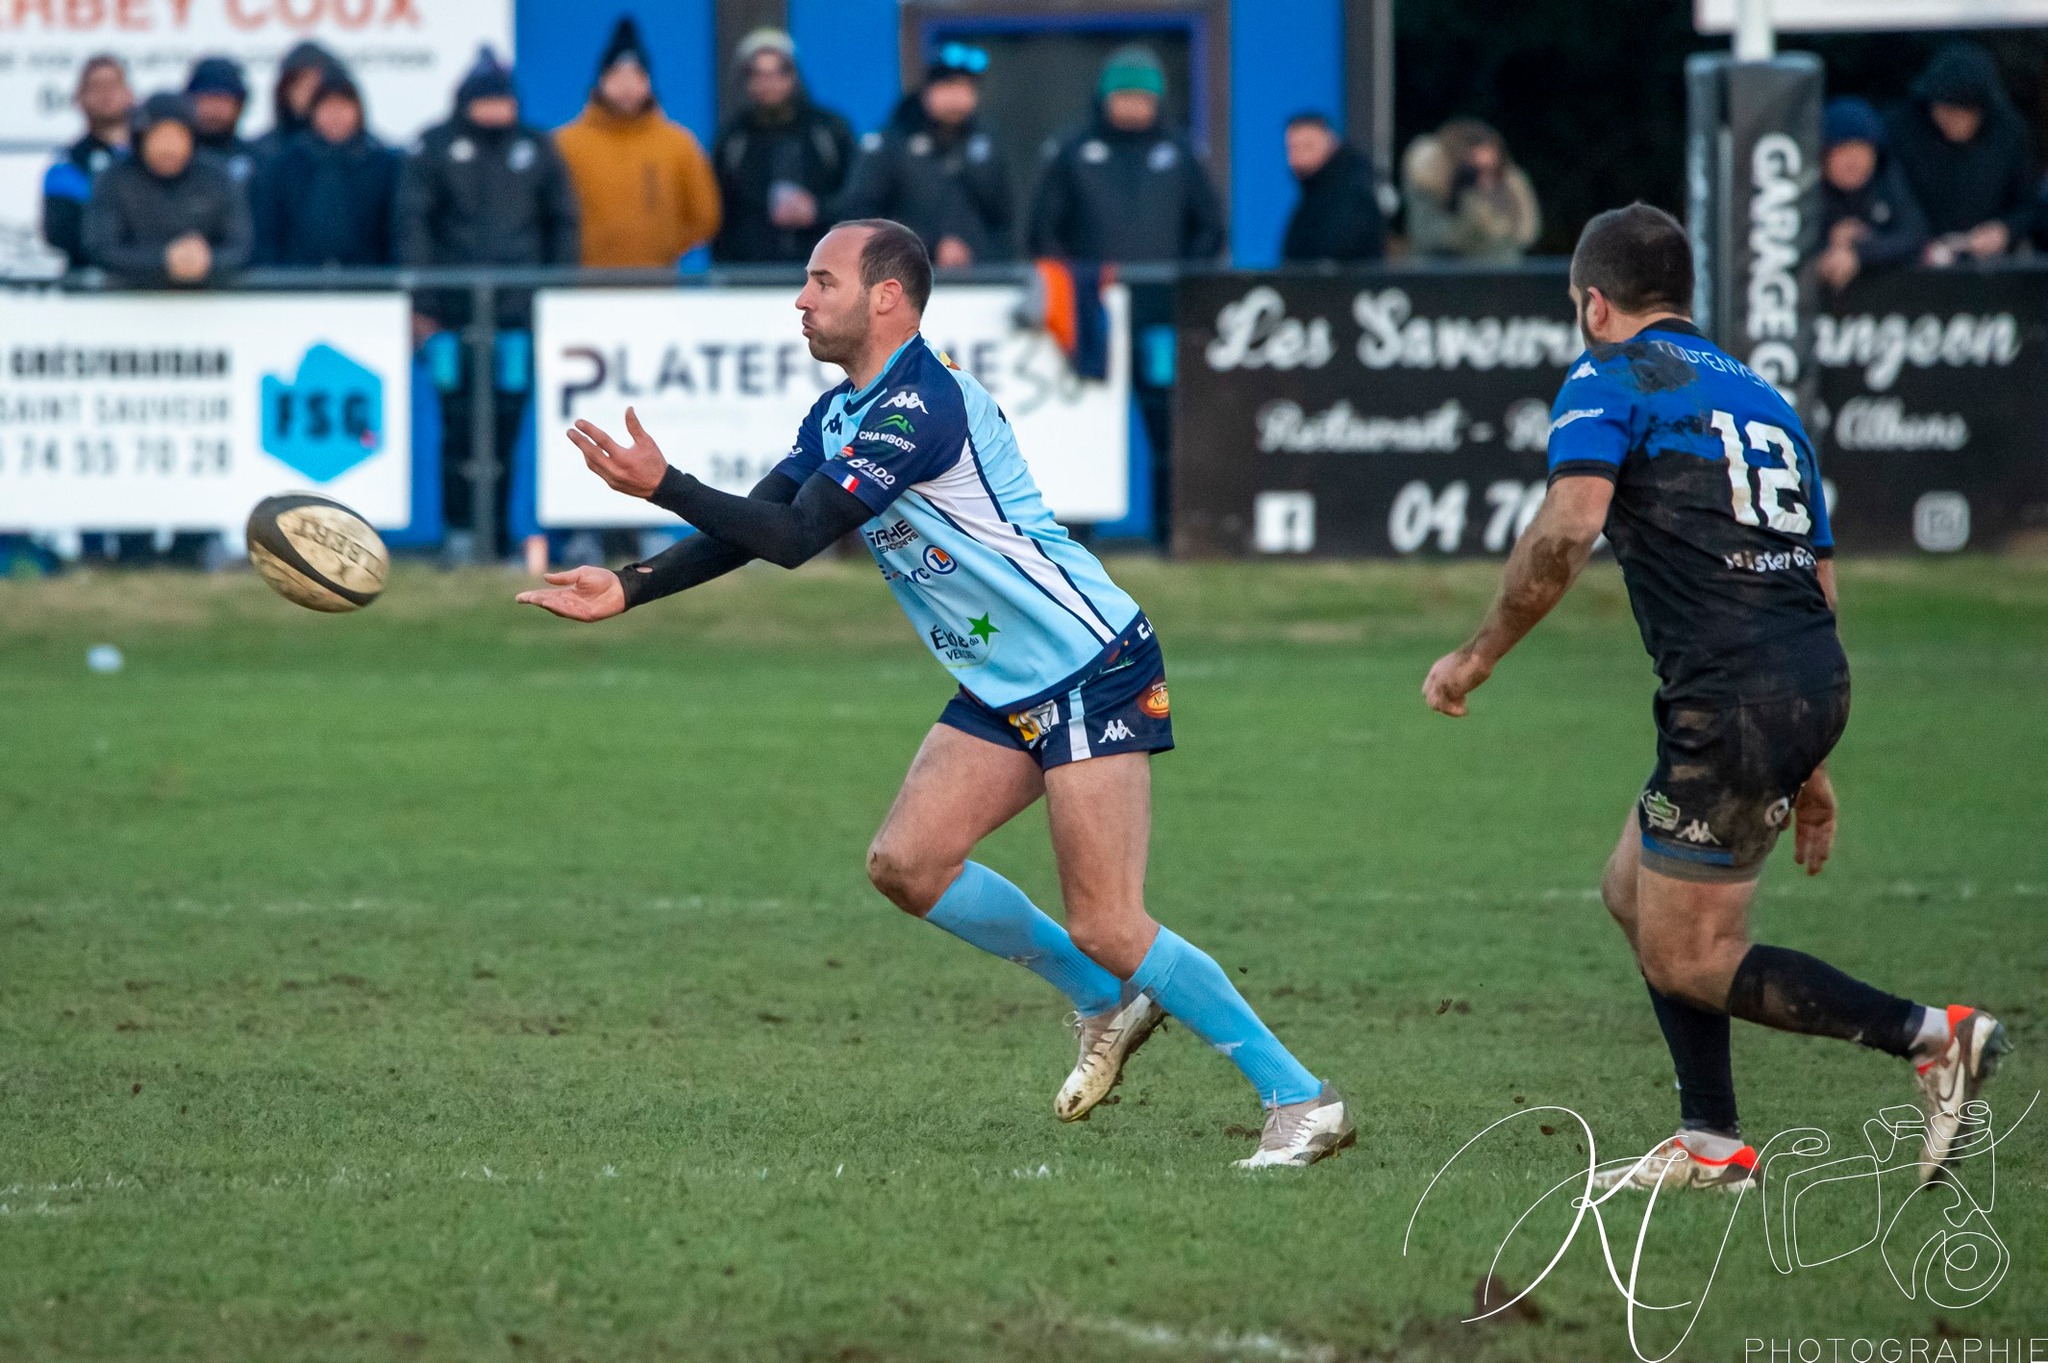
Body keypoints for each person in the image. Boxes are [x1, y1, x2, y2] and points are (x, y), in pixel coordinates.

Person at [517, 219, 1353, 1169]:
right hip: (1003, 681)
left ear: (886, 297)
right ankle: (1105, 996)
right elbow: (764, 519)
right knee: (908, 863)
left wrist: (665, 483)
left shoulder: (920, 405)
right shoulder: (839, 412)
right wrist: (634, 585)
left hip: (1088, 666)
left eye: (821, 281)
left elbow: (795, 541)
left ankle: (1300, 1098)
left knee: (1109, 919)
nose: (801, 299)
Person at [1422, 204, 2008, 1192]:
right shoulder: (1761, 396)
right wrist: (1810, 762)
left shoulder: (1609, 375)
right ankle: (1710, 1141)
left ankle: (1931, 1037)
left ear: (1594, 304)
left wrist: (1477, 655)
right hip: (1799, 679)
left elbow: (1567, 529)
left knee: (1693, 954)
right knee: (1631, 892)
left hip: (1732, 697)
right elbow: (1814, 583)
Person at [395, 48, 581, 325]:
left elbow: (562, 220)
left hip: (523, 302)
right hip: (450, 302)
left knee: (517, 356)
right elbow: (413, 222)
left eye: (501, 100)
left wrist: (558, 289)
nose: (494, 108)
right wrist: (423, 296)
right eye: (486, 100)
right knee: (444, 357)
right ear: (467, 102)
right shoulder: (434, 146)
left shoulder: (536, 147)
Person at [1027, 45, 1224, 263]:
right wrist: (1077, 277)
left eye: (1142, 97)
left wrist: (1183, 276)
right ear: (1105, 98)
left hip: (1166, 283)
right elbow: (1044, 229)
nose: (1133, 105)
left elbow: (1209, 228)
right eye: (1124, 96)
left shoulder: (1182, 152)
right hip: (1092, 283)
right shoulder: (1071, 151)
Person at [555, 16, 721, 269]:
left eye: (636, 77)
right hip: (584, 282)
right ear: (602, 81)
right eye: (617, 77)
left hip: (656, 282)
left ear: (648, 83)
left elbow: (705, 215)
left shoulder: (677, 144)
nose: (627, 88)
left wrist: (665, 247)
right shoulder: (565, 144)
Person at [836, 43, 1012, 266]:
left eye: (967, 87)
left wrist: (987, 255)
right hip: (907, 273)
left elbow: (1003, 220)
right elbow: (860, 215)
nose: (957, 96)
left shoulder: (985, 143)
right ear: (928, 90)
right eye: (949, 85)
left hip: (979, 275)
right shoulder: (892, 143)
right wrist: (928, 246)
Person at [710, 29, 855, 264]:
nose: (769, 83)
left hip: (823, 269)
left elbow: (858, 197)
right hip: (748, 273)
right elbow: (718, 211)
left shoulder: (828, 132)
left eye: (778, 73)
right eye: (758, 74)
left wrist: (818, 210)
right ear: (747, 81)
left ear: (793, 75)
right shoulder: (733, 140)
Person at [1885, 42, 2036, 266]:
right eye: (1944, 110)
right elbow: (1883, 194)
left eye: (1962, 112)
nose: (1952, 120)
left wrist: (2006, 230)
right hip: (1911, 261)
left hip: (1987, 265)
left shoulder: (2008, 133)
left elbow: (2030, 204)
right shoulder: (1901, 128)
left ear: (1981, 110)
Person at [84, 93, 252, 286]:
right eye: (159, 136)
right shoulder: (114, 180)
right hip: (128, 297)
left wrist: (208, 260)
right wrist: (164, 261)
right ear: (141, 139)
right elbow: (100, 247)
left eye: (178, 136)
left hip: (209, 297)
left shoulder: (217, 178)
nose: (168, 147)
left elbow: (240, 246)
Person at [252, 68, 400, 267]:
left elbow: (396, 230)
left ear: (358, 111)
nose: (336, 116)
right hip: (297, 279)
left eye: (343, 106)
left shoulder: (384, 165)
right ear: (313, 112)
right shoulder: (284, 165)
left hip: (368, 278)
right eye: (327, 107)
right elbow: (269, 230)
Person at [1818, 96, 1928, 292]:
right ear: (1823, 155)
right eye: (1844, 150)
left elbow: (1914, 235)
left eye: (1863, 150)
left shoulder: (1885, 180)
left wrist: (1859, 250)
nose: (1854, 161)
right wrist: (1828, 245)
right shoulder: (1808, 189)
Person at [1402, 117, 1541, 263]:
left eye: (1490, 170)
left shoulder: (1508, 183)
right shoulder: (1432, 184)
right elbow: (1429, 238)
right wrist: (1466, 197)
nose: (1484, 178)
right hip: (1441, 268)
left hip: (1496, 269)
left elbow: (1523, 234)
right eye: (1476, 170)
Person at [42, 54, 133, 272]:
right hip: (89, 282)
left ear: (130, 95)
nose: (106, 94)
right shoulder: (67, 165)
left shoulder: (154, 158)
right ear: (79, 98)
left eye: (113, 85)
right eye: (96, 87)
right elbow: (61, 234)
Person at [1280, 111, 1385, 265]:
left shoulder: (1354, 193)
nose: (1297, 159)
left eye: (1307, 147)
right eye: (1292, 149)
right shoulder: (1313, 194)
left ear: (1330, 144)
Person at [248, 42, 340, 170]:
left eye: (317, 86)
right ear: (284, 90)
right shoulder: (260, 153)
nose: (310, 94)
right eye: (301, 86)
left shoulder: (357, 153)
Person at [185, 56, 255, 186]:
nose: (215, 110)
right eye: (207, 100)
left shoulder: (257, 161)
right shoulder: (176, 161)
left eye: (223, 101)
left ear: (239, 106)